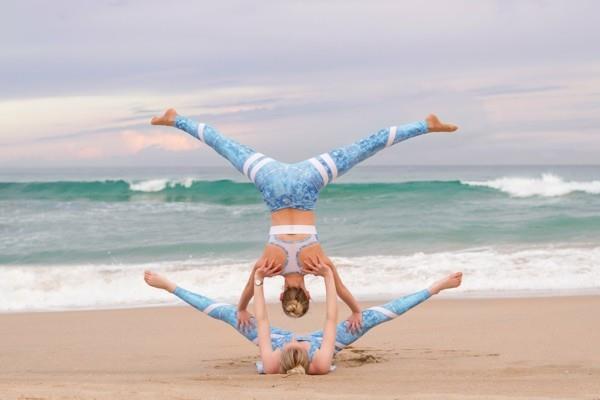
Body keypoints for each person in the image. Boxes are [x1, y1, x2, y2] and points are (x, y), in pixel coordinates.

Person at [151, 109, 458, 326]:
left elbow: (340, 290)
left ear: (309, 292)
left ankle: (425, 125)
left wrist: (356, 311)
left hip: (307, 183)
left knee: (363, 148)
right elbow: (247, 291)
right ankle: (176, 120)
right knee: (227, 147)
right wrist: (242, 308)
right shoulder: (268, 267)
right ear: (282, 293)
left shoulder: (318, 265)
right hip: (272, 183)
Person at [143, 268, 463, 375]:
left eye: (293, 344)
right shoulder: (320, 361)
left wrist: (258, 281)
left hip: (272, 335)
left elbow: (265, 323)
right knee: (371, 319)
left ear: (286, 353)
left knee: (226, 314)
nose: (297, 339)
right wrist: (326, 277)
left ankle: (169, 285)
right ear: (304, 354)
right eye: (299, 344)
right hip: (329, 340)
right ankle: (435, 287)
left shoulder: (271, 360)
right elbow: (330, 319)